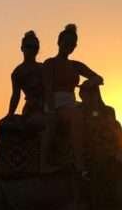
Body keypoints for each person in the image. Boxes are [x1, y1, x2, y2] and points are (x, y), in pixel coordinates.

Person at [43, 24, 103, 172]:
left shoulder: (76, 65)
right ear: (59, 41)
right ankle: (79, 164)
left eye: (72, 44)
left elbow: (99, 78)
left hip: (71, 102)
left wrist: (89, 82)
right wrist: (51, 111)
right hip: (56, 103)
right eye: (66, 42)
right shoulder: (50, 63)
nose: (69, 46)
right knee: (77, 116)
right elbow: (48, 88)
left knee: (98, 114)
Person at [7, 30, 44, 117]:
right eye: (29, 46)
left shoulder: (43, 67)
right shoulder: (18, 72)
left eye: (35, 47)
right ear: (22, 48)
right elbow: (16, 96)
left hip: (49, 106)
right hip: (32, 108)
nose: (32, 50)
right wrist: (10, 114)